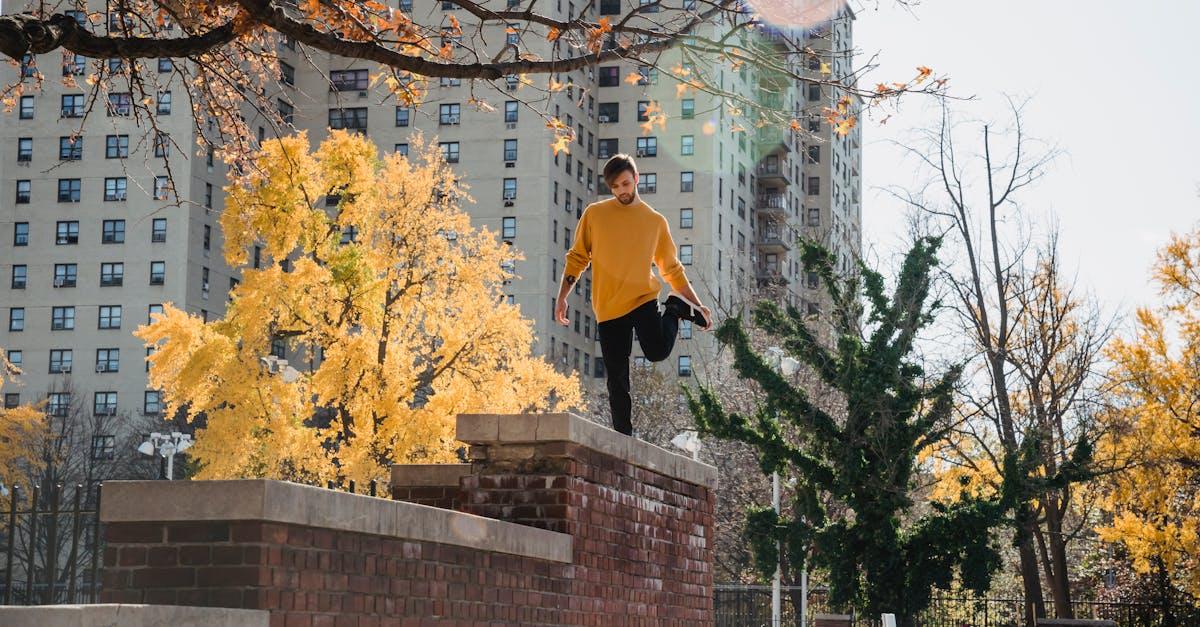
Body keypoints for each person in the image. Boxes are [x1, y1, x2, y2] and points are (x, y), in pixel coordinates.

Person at [555, 153, 712, 437]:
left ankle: (675, 308)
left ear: (636, 179)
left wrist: (697, 304)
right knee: (616, 379)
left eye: (626, 184)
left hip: (642, 298)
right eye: (615, 187)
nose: (621, 192)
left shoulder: (654, 221)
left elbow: (672, 269)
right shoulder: (595, 214)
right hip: (608, 306)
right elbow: (577, 257)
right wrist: (563, 295)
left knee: (657, 351)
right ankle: (623, 441)